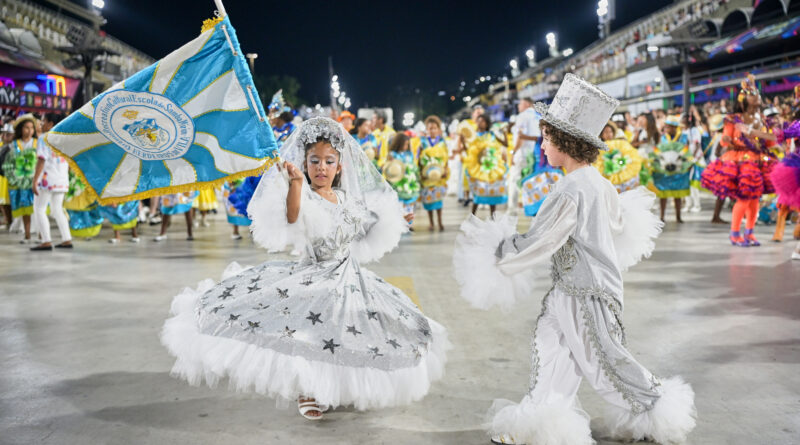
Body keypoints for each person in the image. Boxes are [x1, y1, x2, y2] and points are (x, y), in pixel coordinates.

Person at [453, 74, 696, 445]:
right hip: (571, 288)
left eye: (547, 138)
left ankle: (656, 408)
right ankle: (541, 424)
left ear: (566, 142)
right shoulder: (597, 181)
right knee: (552, 355)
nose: (543, 147)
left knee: (605, 363)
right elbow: (616, 224)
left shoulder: (570, 190)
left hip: (587, 293)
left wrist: (499, 251)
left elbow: (541, 241)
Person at [161, 117, 449, 421]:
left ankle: (329, 386)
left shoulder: (348, 198)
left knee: (347, 333)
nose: (321, 167)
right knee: (311, 332)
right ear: (305, 163)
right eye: (314, 161)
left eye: (328, 161)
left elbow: (365, 227)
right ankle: (308, 390)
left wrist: (383, 217)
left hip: (350, 277)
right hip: (316, 275)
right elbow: (292, 215)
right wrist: (295, 184)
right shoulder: (303, 195)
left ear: (340, 166)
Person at [701, 74, 777, 246]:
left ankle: (750, 232)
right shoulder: (733, 118)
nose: (756, 96)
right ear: (743, 98)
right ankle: (735, 233)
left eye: (756, 93)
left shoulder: (764, 119)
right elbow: (725, 139)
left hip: (759, 161)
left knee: (755, 199)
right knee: (744, 198)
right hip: (741, 162)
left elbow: (771, 142)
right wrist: (729, 140)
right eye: (751, 93)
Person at [30, 113, 72, 251]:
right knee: (57, 210)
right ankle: (66, 239)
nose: (41, 124)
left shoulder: (44, 138)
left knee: (39, 209)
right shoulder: (65, 139)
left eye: (43, 122)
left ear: (51, 124)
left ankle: (46, 240)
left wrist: (35, 180)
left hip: (47, 180)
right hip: (61, 180)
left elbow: (41, 160)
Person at [2, 114, 39, 243]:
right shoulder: (14, 145)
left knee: (38, 209)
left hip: (36, 180)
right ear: (20, 129)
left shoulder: (38, 143)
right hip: (21, 181)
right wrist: (13, 177)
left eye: (31, 128)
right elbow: (9, 162)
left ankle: (41, 235)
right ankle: (27, 235)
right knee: (25, 209)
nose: (29, 131)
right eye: (26, 128)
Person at [464, 114, 508, 217]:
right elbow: (469, 149)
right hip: (478, 167)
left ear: (487, 123)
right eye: (478, 121)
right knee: (478, 194)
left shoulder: (491, 134)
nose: (480, 123)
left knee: (491, 192)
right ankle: (472, 217)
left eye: (483, 121)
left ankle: (493, 218)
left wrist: (504, 132)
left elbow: (505, 144)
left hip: (490, 166)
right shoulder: (473, 135)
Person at [383, 132, 420, 229]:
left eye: (407, 144)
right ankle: (400, 224)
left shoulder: (409, 154)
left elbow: (413, 165)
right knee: (399, 204)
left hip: (409, 181)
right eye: (404, 144)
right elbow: (390, 168)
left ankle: (409, 223)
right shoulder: (392, 154)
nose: (406, 146)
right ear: (399, 143)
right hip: (398, 182)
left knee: (410, 204)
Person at [509, 98, 540, 214]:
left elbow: (520, 137)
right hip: (535, 154)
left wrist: (513, 152)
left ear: (527, 104)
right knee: (531, 179)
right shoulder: (539, 117)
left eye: (520, 104)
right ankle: (530, 206)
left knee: (514, 179)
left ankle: (512, 209)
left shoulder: (522, 116)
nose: (518, 106)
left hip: (522, 154)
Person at [594, 121, 643, 193]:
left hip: (621, 175)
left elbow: (628, 156)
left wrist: (620, 163)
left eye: (610, 132)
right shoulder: (598, 148)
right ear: (601, 135)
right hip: (607, 177)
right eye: (606, 132)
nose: (609, 134)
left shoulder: (620, 143)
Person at [418, 115, 449, 231]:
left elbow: (446, 158)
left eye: (434, 128)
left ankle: (440, 221)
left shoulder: (442, 142)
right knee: (428, 200)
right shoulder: (422, 142)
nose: (432, 130)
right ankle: (431, 222)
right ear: (426, 129)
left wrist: (445, 170)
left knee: (438, 200)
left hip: (439, 175)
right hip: (426, 175)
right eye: (430, 128)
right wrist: (420, 172)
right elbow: (418, 158)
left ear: (438, 129)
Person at [0, 122, 14, 228]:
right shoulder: (2, 146)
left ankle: (10, 221)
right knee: (3, 202)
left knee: (9, 201)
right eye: (4, 134)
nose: (4, 136)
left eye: (8, 134)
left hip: (9, 177)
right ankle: (7, 220)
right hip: (2, 177)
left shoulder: (15, 147)